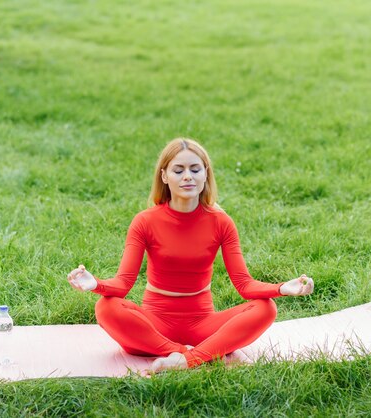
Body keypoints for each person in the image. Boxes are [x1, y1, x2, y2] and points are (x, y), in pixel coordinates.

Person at [67, 138, 314, 372]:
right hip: (154, 326)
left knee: (266, 309)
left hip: (202, 326)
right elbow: (122, 284)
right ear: (164, 176)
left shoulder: (221, 222)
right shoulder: (145, 221)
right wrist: (96, 284)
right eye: (178, 170)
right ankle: (184, 353)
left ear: (206, 174)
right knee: (106, 307)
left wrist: (283, 288)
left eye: (195, 169)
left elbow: (244, 284)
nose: (188, 176)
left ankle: (187, 360)